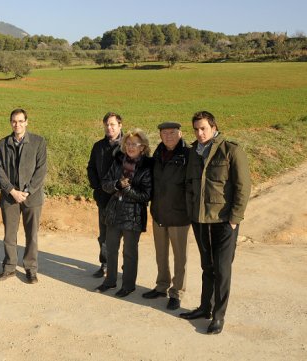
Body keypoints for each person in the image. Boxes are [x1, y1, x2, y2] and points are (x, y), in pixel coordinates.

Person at [180, 111, 251, 335]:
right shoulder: (193, 153)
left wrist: (234, 219)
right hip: (200, 220)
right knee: (207, 267)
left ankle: (218, 316)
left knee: (222, 269)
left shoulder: (231, 150)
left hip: (223, 221)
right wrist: (192, 212)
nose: (200, 133)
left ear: (213, 127)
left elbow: (243, 187)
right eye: (196, 129)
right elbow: (189, 185)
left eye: (203, 128)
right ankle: (205, 308)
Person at [95, 129, 152, 297]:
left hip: (133, 215)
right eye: (127, 143)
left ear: (142, 147)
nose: (130, 147)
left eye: (134, 144)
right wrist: (116, 185)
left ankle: (128, 285)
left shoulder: (147, 166)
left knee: (129, 252)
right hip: (114, 211)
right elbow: (105, 184)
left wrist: (127, 189)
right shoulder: (118, 162)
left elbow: (146, 195)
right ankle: (110, 281)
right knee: (111, 249)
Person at [0, 108, 47, 284]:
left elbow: (41, 170)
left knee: (31, 234)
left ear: (26, 122)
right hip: (10, 196)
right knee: (9, 234)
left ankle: (30, 269)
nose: (17, 124)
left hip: (32, 197)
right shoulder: (3, 144)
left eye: (20, 121)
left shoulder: (38, 142)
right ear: (10, 123)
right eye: (14, 121)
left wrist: (28, 191)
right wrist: (12, 191)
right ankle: (9, 267)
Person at [142, 122, 191, 311]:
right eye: (164, 133)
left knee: (181, 257)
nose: (168, 136)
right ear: (160, 136)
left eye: (172, 133)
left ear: (180, 133)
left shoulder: (188, 154)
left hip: (180, 214)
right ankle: (162, 286)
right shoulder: (157, 153)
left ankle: (177, 292)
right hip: (159, 211)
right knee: (161, 254)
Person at [87, 112, 123, 278]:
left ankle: (124, 267)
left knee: (125, 236)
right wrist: (97, 187)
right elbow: (91, 168)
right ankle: (106, 265)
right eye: (106, 125)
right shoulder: (99, 146)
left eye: (112, 124)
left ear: (120, 125)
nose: (109, 128)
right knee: (105, 235)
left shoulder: (128, 145)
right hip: (104, 199)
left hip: (123, 199)